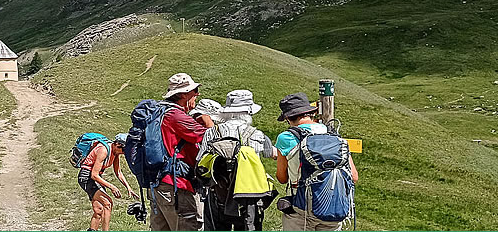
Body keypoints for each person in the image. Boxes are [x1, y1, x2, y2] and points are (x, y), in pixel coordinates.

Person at [274, 92, 359, 231]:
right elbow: (353, 176)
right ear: (309, 113)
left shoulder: (286, 138)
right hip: (334, 208)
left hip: (302, 209)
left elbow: (282, 178)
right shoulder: (333, 135)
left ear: (288, 118)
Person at [197, 90, 278, 231]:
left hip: (218, 194)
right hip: (248, 197)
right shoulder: (257, 135)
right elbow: (272, 153)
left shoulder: (211, 132)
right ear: (248, 113)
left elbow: (200, 160)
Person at [149, 73, 211, 231]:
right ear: (183, 94)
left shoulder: (159, 112)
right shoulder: (176, 116)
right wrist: (207, 119)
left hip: (157, 184)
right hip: (176, 186)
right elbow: (210, 136)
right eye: (194, 91)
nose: (197, 94)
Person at [78, 133, 139, 231]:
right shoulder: (103, 150)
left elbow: (118, 172)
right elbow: (94, 175)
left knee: (99, 210)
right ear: (117, 144)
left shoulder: (115, 153)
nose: (123, 153)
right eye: (123, 150)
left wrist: (128, 187)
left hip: (95, 178)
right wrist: (112, 187)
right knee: (108, 203)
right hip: (87, 177)